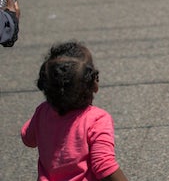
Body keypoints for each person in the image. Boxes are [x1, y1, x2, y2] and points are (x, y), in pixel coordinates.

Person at [21, 41, 128, 181]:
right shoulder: (97, 120)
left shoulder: (42, 112)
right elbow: (104, 165)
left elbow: (28, 139)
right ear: (94, 84)